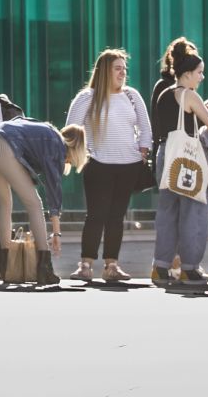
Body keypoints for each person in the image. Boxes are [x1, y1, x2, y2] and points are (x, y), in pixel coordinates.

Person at [65, 49, 152, 282]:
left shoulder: (132, 95)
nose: (123, 72)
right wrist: (75, 156)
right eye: (117, 68)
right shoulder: (87, 97)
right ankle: (85, 265)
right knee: (96, 215)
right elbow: (71, 130)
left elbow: (145, 126)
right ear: (105, 70)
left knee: (116, 216)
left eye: (124, 68)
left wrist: (143, 151)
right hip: (98, 164)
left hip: (129, 165)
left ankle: (111, 266)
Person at [0, 118, 89, 287]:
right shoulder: (56, 143)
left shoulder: (44, 132)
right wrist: (57, 233)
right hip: (3, 144)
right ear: (74, 148)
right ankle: (44, 268)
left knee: (4, 202)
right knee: (35, 204)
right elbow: (54, 192)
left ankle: (8, 267)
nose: (68, 163)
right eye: (70, 160)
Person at [150, 48, 208, 286]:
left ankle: (160, 267)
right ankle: (190, 268)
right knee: (195, 210)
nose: (202, 77)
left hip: (166, 154)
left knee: (168, 212)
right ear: (187, 74)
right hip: (187, 159)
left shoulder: (164, 93)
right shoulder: (189, 95)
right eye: (199, 73)